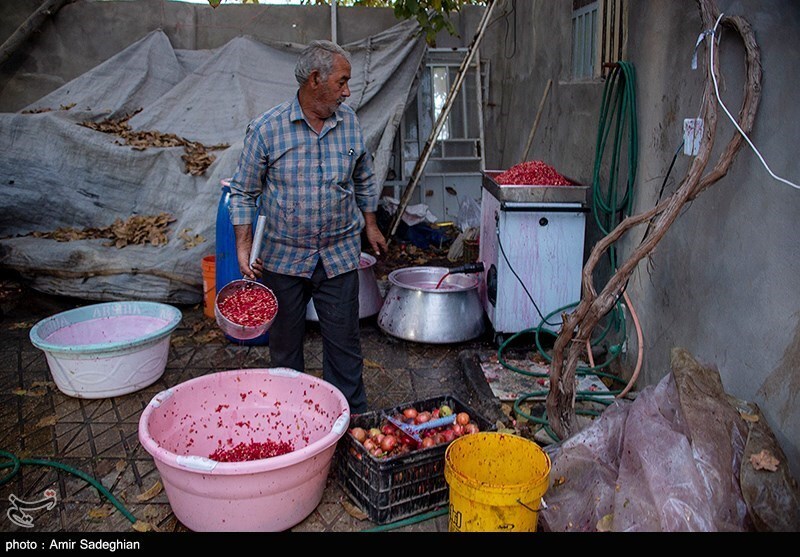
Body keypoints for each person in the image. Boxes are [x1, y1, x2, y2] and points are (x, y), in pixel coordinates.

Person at [228, 40, 387, 414]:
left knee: (345, 348)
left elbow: (364, 176)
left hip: (338, 254)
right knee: (285, 351)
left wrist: (371, 224)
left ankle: (351, 424)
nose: (347, 91)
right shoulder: (267, 130)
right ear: (314, 79)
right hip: (283, 259)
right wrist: (243, 246)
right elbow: (243, 192)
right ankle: (291, 421)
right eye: (342, 82)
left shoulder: (349, 123)